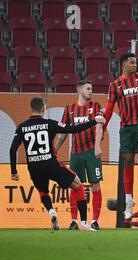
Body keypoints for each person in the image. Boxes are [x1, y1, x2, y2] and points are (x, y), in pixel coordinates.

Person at [9, 96, 105, 231]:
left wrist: (14, 171)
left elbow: (13, 149)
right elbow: (73, 129)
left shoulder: (22, 127)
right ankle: (83, 223)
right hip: (51, 164)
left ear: (31, 109)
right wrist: (94, 121)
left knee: (43, 192)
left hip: (34, 168)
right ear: (43, 108)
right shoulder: (50, 124)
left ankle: (52, 212)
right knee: (79, 186)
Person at [103, 52, 138, 219]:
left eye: (136, 63)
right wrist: (103, 129)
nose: (135, 65)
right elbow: (109, 110)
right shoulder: (115, 85)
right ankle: (129, 202)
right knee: (128, 162)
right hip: (126, 129)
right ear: (124, 65)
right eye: (132, 63)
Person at [55, 80, 104, 230]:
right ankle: (74, 221)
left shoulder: (96, 107)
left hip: (91, 152)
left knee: (95, 185)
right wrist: (54, 150)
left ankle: (95, 221)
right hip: (75, 153)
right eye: (88, 88)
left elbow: (100, 126)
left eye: (92, 88)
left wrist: (97, 146)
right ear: (80, 90)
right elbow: (63, 133)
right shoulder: (69, 109)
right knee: (75, 185)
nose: (91, 91)